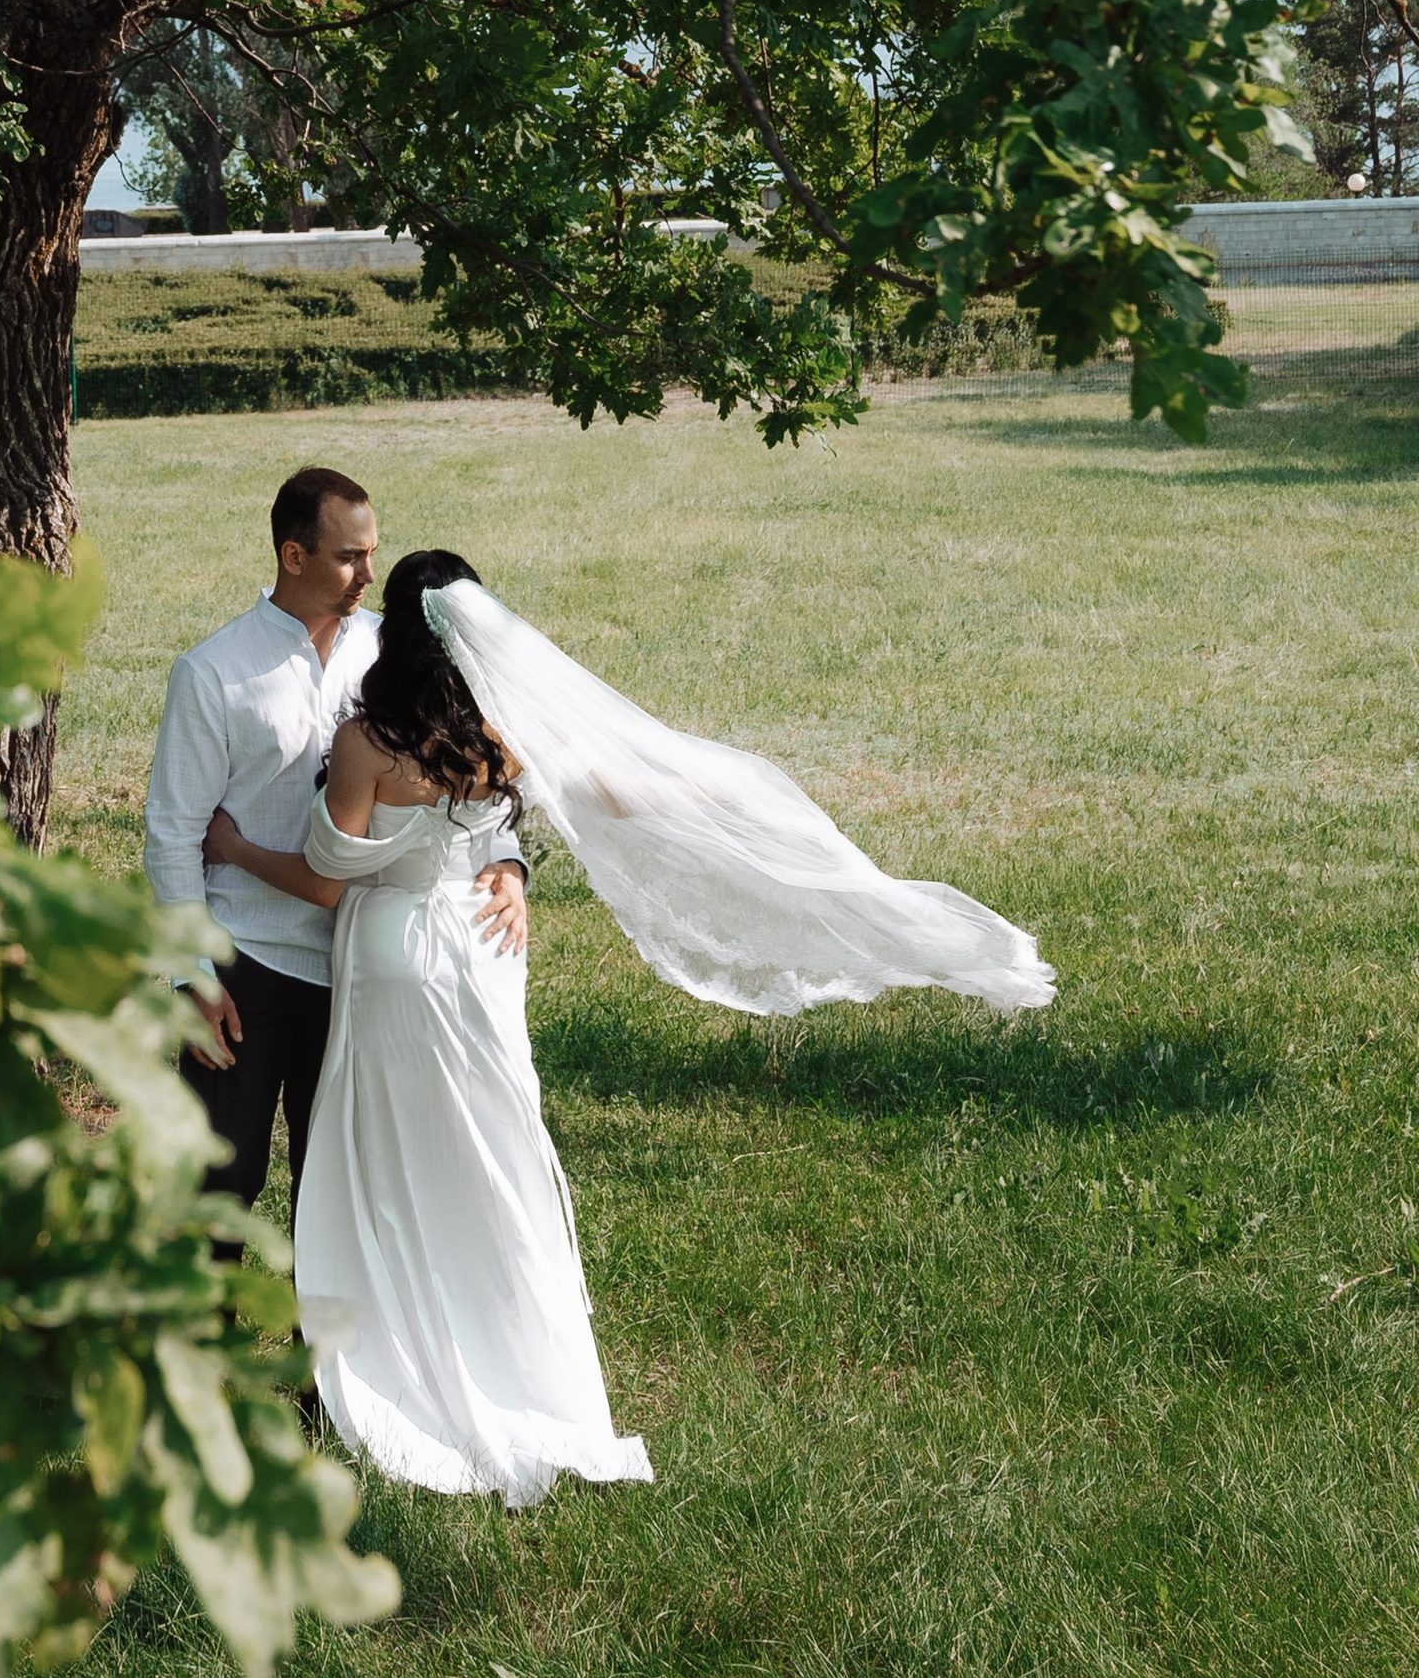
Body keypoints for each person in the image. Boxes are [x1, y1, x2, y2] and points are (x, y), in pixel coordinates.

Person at [202, 547, 1054, 1505]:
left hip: (395, 959)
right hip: (481, 960)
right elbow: (601, 791)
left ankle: (386, 1359)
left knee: (385, 1162)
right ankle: (511, 1359)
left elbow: (325, 881)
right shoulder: (500, 735)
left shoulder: (367, 743)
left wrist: (234, 846)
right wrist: (719, 789)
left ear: (394, 634)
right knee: (492, 1155)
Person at [140, 467, 528, 1221]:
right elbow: (173, 835)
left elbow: (471, 768)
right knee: (220, 1181)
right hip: (246, 967)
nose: (369, 574)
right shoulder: (213, 673)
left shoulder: (393, 652)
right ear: (294, 555)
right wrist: (193, 977)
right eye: (350, 557)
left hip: (363, 976)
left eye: (373, 553)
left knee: (345, 1199)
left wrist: (508, 865)